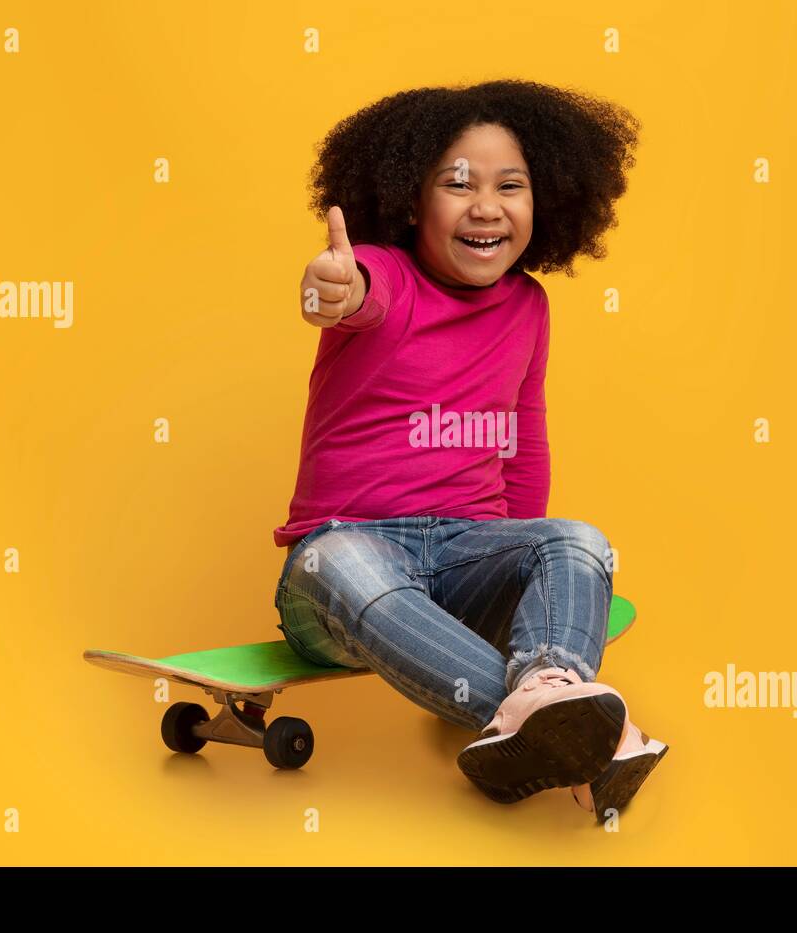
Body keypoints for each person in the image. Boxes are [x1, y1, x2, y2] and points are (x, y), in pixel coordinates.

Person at [273, 79, 666, 822]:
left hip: (463, 562)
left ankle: (546, 693)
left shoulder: (529, 307)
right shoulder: (387, 274)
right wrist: (334, 288)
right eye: (458, 184)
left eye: (509, 186)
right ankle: (594, 740)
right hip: (344, 567)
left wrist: (528, 575)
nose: (486, 205)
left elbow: (525, 445)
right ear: (409, 202)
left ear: (544, 199)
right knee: (338, 559)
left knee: (578, 540)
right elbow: (354, 292)